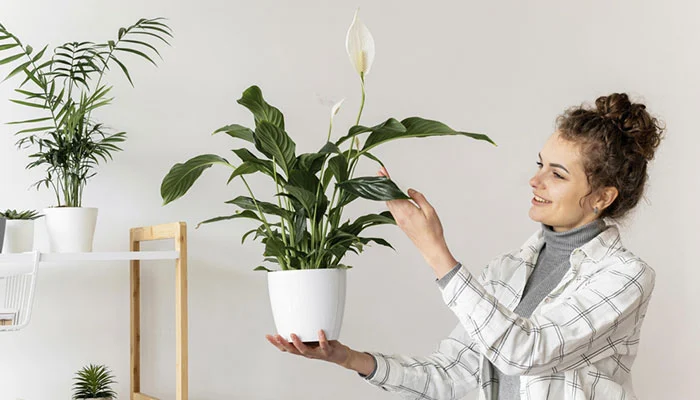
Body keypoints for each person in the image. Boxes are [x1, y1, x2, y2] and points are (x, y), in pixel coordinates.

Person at [266, 92, 664, 399]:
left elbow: (523, 352)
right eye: (539, 163)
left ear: (602, 197)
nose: (535, 180)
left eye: (557, 174)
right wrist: (349, 358)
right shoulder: (509, 270)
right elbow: (451, 375)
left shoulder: (623, 277)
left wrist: (436, 252)